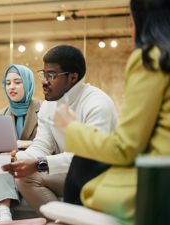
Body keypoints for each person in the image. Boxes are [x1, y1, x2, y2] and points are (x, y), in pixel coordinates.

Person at [53, 0, 170, 223]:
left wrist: (70, 127)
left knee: (81, 166)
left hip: (158, 184)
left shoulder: (151, 58)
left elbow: (124, 147)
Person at [2, 45, 118, 217]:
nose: (44, 81)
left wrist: (38, 164)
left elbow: (89, 158)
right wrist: (16, 158)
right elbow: (42, 145)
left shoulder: (97, 104)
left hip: (101, 176)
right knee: (24, 177)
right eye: (43, 74)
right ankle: (60, 221)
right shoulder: (49, 104)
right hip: (71, 173)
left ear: (73, 77)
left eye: (51, 75)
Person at [0, 64, 41, 221]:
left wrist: (20, 144)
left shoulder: (43, 109)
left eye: (18, 82)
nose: (12, 87)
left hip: (33, 165)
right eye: (8, 83)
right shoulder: (0, 114)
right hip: (8, 167)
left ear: (28, 83)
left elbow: (50, 144)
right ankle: (4, 214)